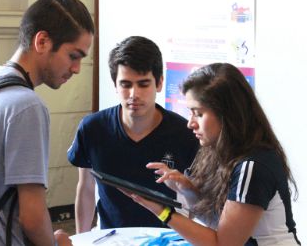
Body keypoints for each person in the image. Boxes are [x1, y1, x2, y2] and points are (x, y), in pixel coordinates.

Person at [0, 0, 94, 246]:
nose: (77, 68)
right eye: (73, 56)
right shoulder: (27, 107)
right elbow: (32, 217)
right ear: (42, 41)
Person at [125, 63, 301, 245]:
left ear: (228, 114)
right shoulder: (225, 152)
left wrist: (164, 212)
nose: (190, 123)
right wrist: (188, 189)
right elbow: (220, 224)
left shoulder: (252, 167)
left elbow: (222, 243)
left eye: (198, 114)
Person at [67, 36, 199, 232]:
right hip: (110, 238)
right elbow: (86, 189)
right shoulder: (92, 129)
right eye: (126, 84)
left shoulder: (184, 133)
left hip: (165, 239)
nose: (133, 94)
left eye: (143, 84)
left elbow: (199, 200)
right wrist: (81, 239)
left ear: (159, 83)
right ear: (115, 84)